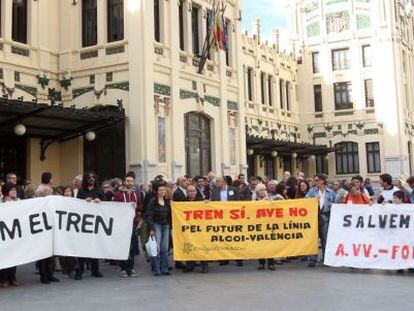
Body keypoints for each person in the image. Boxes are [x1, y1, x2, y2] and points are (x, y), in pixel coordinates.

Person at [75, 172, 105, 280]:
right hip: (84, 224)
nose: (92, 179)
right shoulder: (81, 191)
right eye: (89, 178)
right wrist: (83, 202)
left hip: (96, 224)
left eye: (93, 178)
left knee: (95, 247)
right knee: (82, 248)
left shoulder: (99, 191)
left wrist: (100, 201)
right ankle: (80, 271)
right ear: (86, 179)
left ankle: (95, 270)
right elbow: (76, 205)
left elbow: (107, 206)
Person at [113, 174, 143, 278]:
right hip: (121, 224)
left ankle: (131, 267)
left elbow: (140, 207)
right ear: (124, 182)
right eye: (127, 181)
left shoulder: (137, 193)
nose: (129, 183)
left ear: (133, 182)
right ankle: (123, 268)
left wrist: (137, 206)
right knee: (123, 246)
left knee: (132, 246)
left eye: (131, 181)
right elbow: (115, 207)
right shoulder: (118, 194)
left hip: (133, 223)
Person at [211, 176, 242, 267]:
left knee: (235, 238)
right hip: (220, 218)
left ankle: (238, 258)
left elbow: (238, 202)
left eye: (218, 181)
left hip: (233, 218)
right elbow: (212, 204)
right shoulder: (214, 191)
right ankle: (224, 258)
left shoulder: (234, 190)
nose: (216, 183)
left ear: (224, 182)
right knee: (222, 238)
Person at [306, 174, 336, 268]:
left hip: (326, 216)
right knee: (314, 239)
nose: (315, 182)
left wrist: (332, 205)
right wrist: (313, 200)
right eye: (314, 180)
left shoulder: (330, 192)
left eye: (316, 180)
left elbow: (335, 203)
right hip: (315, 217)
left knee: (325, 238)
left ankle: (326, 258)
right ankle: (312, 259)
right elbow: (305, 201)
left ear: (322, 181)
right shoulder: (312, 191)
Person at [35, 172, 60, 285]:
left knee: (50, 252)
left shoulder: (46, 188)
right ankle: (44, 275)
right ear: (48, 179)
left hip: (49, 221)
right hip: (44, 222)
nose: (53, 179)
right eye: (52, 177)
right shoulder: (43, 190)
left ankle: (49, 274)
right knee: (44, 252)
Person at [147, 183, 172, 276]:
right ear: (156, 192)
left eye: (163, 190)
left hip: (166, 225)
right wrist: (151, 228)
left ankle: (165, 268)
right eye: (160, 190)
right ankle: (157, 269)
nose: (162, 192)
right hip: (156, 225)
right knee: (156, 248)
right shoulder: (152, 201)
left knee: (165, 248)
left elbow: (170, 215)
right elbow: (149, 215)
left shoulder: (167, 201)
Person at [183, 185, 209, 273]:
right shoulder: (183, 202)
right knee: (190, 246)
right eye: (190, 191)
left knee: (202, 246)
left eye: (194, 191)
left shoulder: (201, 201)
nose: (192, 192)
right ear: (187, 193)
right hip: (189, 228)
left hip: (200, 228)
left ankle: (204, 265)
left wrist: (207, 204)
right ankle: (190, 265)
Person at [0, 183, 20, 288]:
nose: (14, 191)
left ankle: (13, 278)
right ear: (6, 190)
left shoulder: (18, 201)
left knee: (14, 256)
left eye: (14, 190)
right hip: (3, 233)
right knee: (3, 256)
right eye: (12, 190)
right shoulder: (1, 201)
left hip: (15, 232)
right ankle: (4, 279)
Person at [255, 183, 276, 271]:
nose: (263, 191)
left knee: (270, 244)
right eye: (261, 190)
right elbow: (254, 207)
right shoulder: (255, 200)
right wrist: (263, 200)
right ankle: (261, 262)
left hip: (269, 224)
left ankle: (271, 262)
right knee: (260, 244)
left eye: (264, 189)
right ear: (257, 192)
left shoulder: (270, 198)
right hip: (259, 225)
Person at [59, 186, 77, 278]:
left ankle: (70, 269)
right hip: (62, 229)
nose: (68, 193)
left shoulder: (76, 202)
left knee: (71, 249)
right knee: (62, 251)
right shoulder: (59, 203)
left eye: (69, 191)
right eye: (66, 192)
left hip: (72, 229)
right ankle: (64, 270)